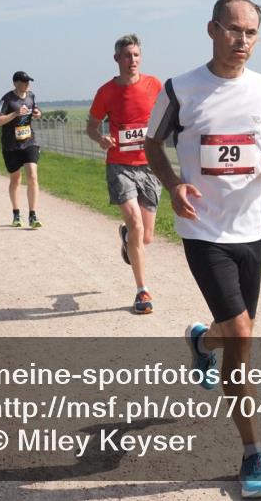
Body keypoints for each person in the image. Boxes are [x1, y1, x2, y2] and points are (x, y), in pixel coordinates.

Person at [145, 0, 261, 499]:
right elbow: (151, 142)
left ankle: (202, 343)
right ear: (212, 30)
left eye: (251, 32)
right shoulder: (180, 89)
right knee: (243, 337)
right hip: (203, 230)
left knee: (233, 336)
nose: (241, 40)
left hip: (251, 229)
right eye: (233, 30)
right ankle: (254, 453)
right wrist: (173, 184)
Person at [86, 35, 163, 315]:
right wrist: (101, 139)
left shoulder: (154, 85)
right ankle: (142, 291)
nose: (133, 60)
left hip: (150, 166)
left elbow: (168, 116)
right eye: (128, 55)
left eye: (137, 55)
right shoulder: (106, 92)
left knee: (146, 237)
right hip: (119, 165)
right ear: (117, 58)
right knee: (136, 225)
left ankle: (126, 238)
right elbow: (92, 126)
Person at [0, 71, 43, 228]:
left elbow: (36, 110)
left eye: (28, 81)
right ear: (15, 83)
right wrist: (15, 113)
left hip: (29, 141)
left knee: (32, 176)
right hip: (11, 145)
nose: (27, 84)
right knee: (16, 179)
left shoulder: (31, 96)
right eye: (24, 81)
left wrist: (37, 113)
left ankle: (33, 215)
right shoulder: (7, 99)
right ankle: (16, 213)